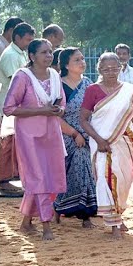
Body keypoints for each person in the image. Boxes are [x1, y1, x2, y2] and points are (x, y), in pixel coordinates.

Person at [80, 53, 133, 237]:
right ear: (99, 70)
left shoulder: (128, 91)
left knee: (124, 180)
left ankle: (119, 215)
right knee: (106, 179)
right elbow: (84, 120)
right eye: (106, 69)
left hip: (124, 141)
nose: (111, 72)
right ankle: (114, 224)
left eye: (114, 68)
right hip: (101, 143)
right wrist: (99, 140)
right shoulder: (92, 90)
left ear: (120, 68)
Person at [2, 39, 67, 241]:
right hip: (29, 135)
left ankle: (26, 222)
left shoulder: (54, 75)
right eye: (43, 52)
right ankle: (46, 225)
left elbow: (62, 103)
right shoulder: (23, 76)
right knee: (38, 176)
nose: (49, 56)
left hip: (51, 133)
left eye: (50, 52)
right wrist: (41, 111)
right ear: (32, 56)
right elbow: (9, 108)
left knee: (50, 176)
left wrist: (58, 110)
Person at [52, 48, 98, 226]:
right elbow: (54, 116)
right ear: (66, 65)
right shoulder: (57, 85)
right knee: (69, 168)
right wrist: (74, 133)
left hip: (86, 135)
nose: (82, 62)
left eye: (82, 59)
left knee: (85, 165)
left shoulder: (89, 84)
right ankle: (61, 207)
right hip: (63, 135)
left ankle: (84, 214)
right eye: (77, 60)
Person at [0, 22, 37, 197]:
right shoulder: (11, 55)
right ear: (17, 37)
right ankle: (4, 180)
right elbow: (19, 81)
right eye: (28, 40)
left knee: (14, 142)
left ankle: (11, 177)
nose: (29, 43)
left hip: (17, 104)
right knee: (7, 143)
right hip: (8, 104)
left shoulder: (20, 53)